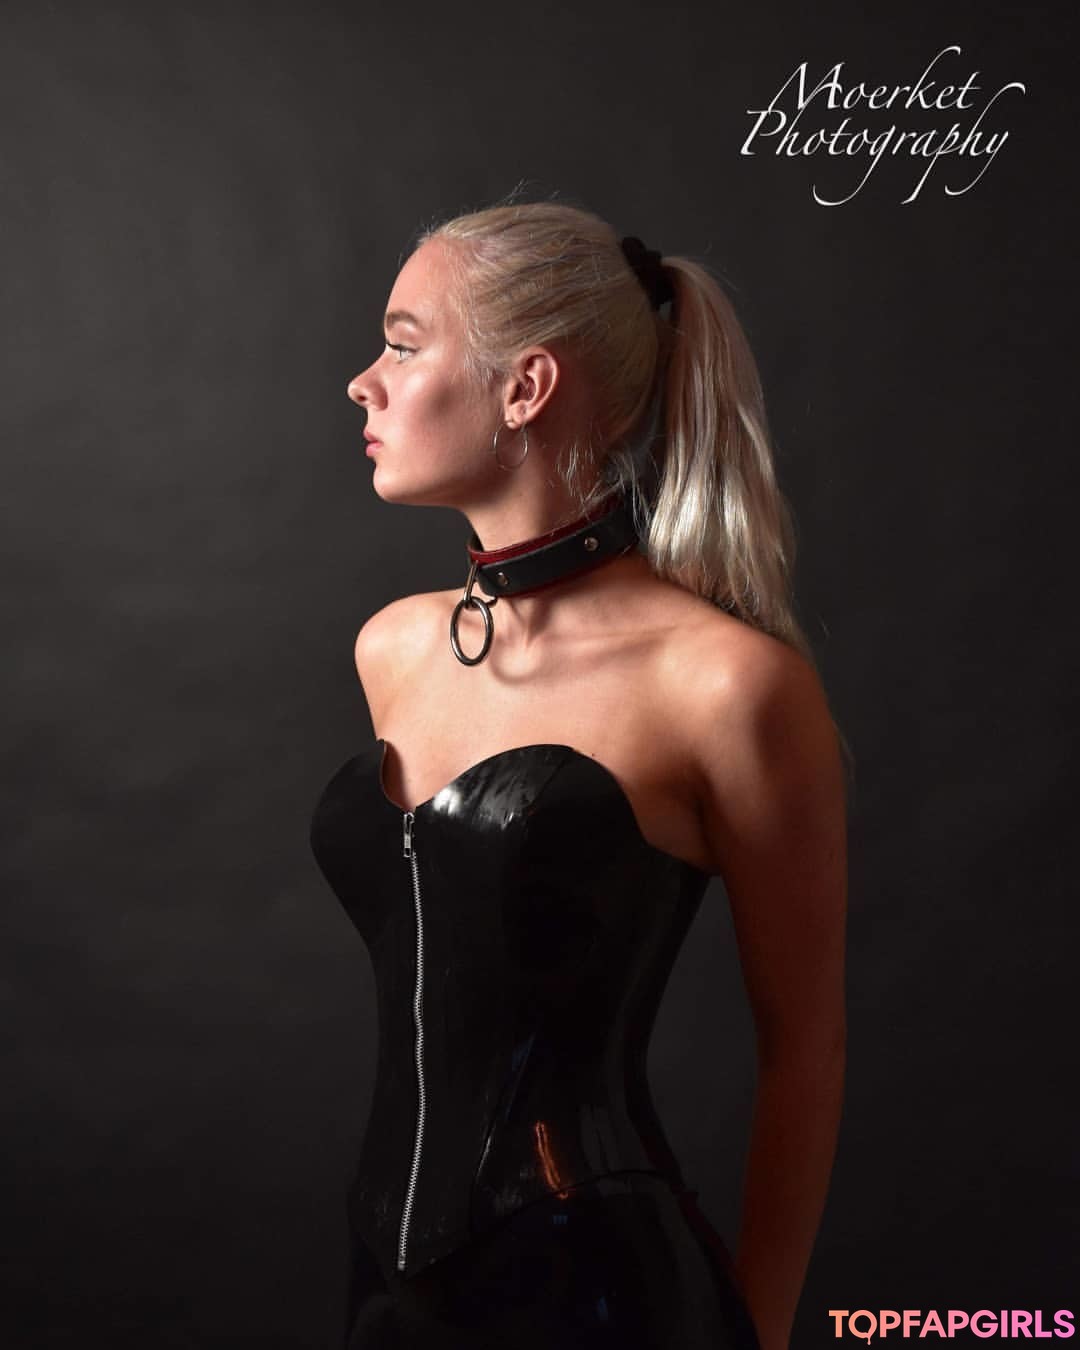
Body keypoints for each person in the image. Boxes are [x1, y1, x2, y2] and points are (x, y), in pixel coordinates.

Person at [309, 198, 848, 1350]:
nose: (363, 382)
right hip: (377, 1291)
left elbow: (805, 1050)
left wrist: (762, 1334)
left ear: (525, 386)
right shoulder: (392, 647)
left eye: (403, 345)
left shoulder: (726, 685)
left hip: (600, 1295)